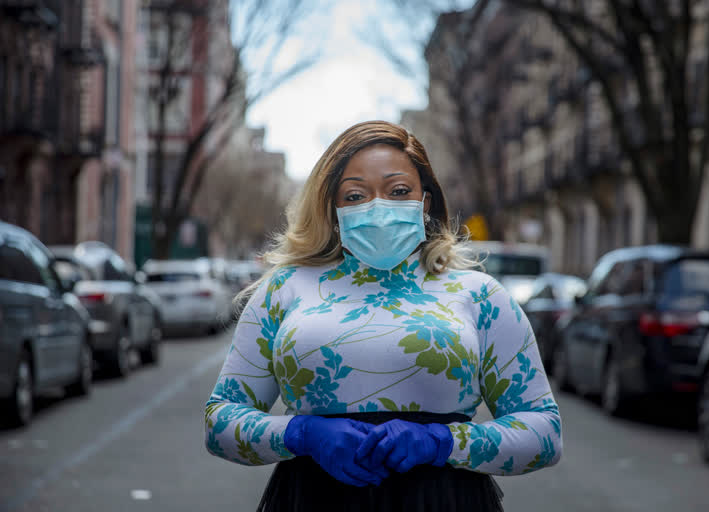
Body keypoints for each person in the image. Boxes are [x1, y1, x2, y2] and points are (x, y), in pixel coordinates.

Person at [204, 120, 562, 511]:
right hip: (311, 500)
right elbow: (220, 422)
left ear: (424, 203)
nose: (378, 207)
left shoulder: (479, 296)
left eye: (398, 191)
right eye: (355, 195)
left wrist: (443, 443)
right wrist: (300, 434)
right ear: (333, 210)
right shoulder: (284, 290)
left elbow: (543, 432)